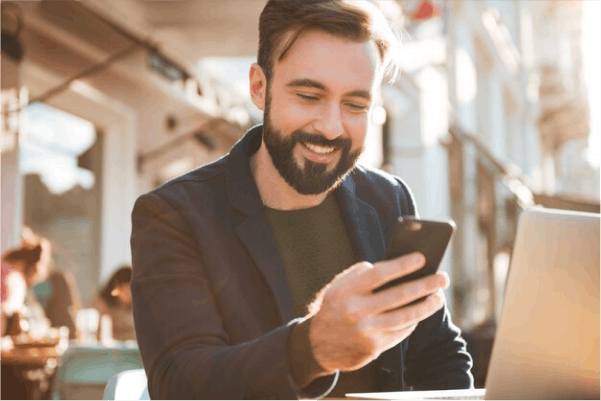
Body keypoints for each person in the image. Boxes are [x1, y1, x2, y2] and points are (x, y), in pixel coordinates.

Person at [130, 1, 474, 399]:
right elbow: (180, 383)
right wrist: (311, 349)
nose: (330, 128)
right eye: (309, 96)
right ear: (259, 88)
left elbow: (438, 356)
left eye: (355, 105)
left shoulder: (388, 199)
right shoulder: (174, 214)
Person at [92, 265, 136, 341]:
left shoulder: (136, 306)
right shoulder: (102, 303)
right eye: (124, 288)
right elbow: (96, 332)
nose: (128, 293)